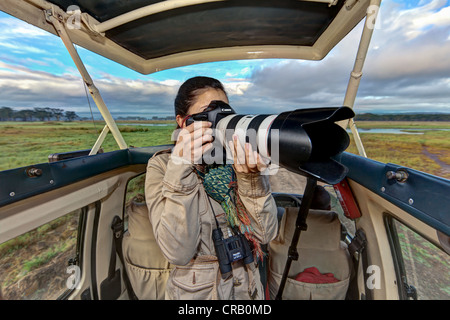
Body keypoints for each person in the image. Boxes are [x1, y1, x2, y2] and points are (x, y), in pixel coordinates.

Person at [145, 76, 278, 300]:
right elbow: (178, 251)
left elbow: (264, 235)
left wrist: (251, 179)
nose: (219, 123)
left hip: (247, 289)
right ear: (182, 121)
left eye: (225, 114)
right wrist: (181, 167)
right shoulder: (162, 166)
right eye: (209, 113)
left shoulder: (237, 160)